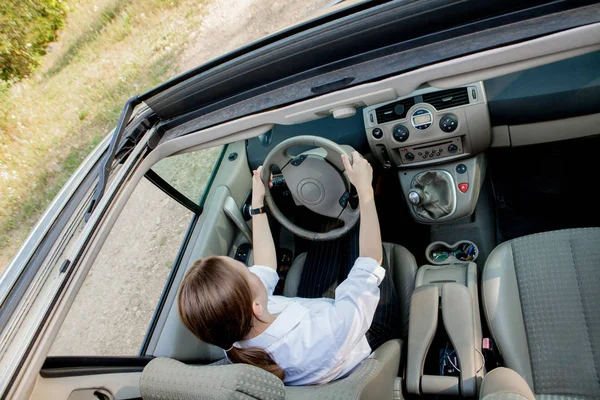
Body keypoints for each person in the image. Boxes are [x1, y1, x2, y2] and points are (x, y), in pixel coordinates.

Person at [178, 151, 399, 385]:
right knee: (354, 220)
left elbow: (265, 266)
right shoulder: (322, 335)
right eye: (246, 271)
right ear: (256, 307)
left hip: (314, 316)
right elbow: (370, 263)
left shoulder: (232, 329)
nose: (252, 270)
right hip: (361, 335)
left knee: (331, 223)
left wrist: (257, 205)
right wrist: (365, 190)